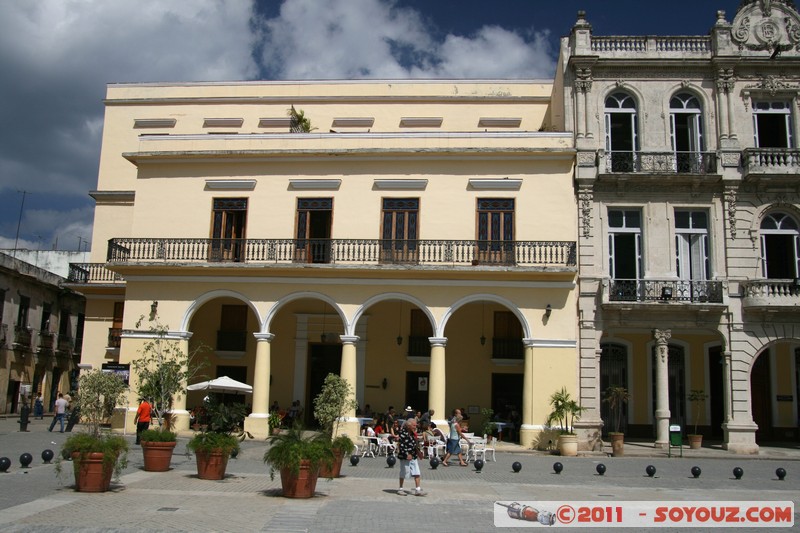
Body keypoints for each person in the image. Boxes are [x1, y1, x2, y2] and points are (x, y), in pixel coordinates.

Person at [396, 417, 426, 496]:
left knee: (417, 472)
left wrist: (419, 452)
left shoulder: (413, 433)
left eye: (416, 425)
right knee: (404, 472)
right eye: (414, 425)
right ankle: (400, 489)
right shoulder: (402, 433)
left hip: (413, 456)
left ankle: (418, 490)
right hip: (404, 456)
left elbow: (415, 444)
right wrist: (407, 454)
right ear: (409, 425)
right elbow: (401, 445)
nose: (415, 427)